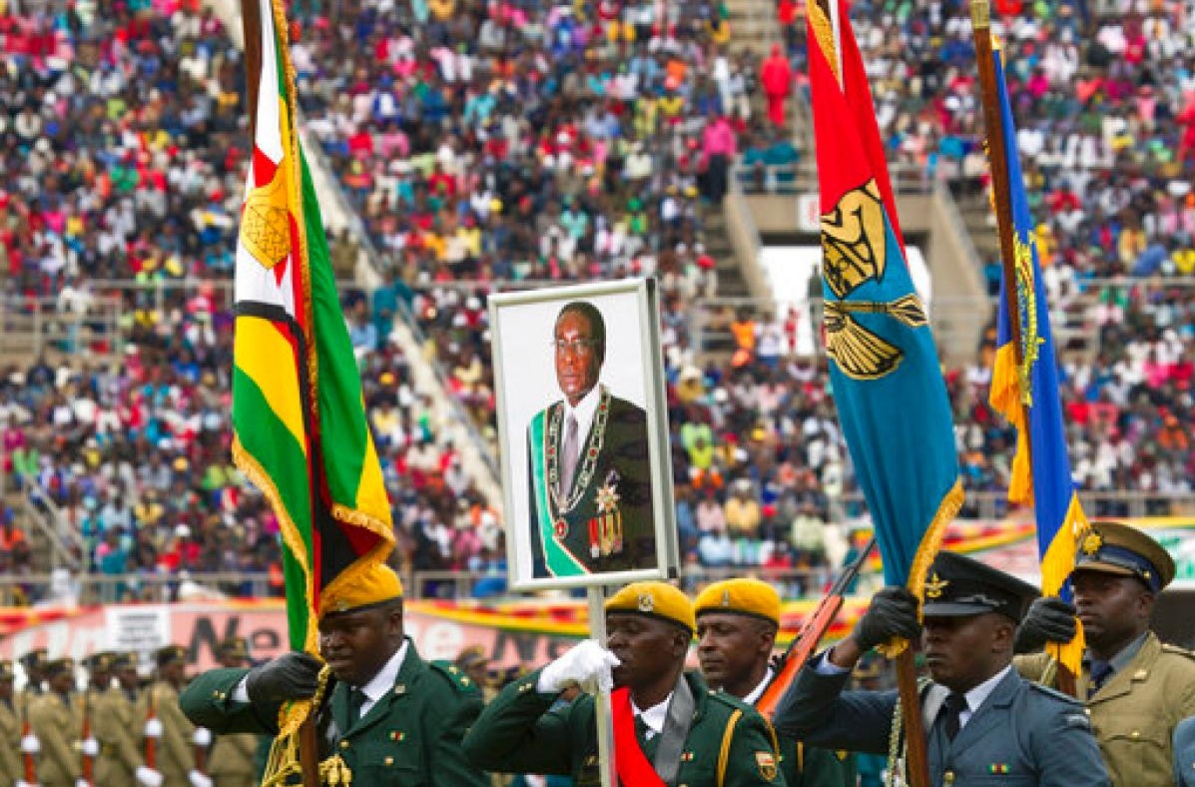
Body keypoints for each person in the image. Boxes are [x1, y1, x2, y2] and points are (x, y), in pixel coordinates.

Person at [772, 551, 1110, 787]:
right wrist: (857, 640)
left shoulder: (1050, 721)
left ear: (1001, 635)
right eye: (927, 625)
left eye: (949, 625)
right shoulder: (913, 709)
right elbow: (795, 720)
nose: (932, 637)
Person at [179, 562, 487, 786]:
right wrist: (258, 682)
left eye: (350, 629)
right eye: (324, 631)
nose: (333, 643)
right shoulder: (314, 690)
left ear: (393, 623)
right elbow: (196, 704)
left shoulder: (439, 697)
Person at [463, 580, 786, 786]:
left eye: (632, 629)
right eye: (610, 630)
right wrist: (548, 680)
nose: (615, 641)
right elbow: (482, 750)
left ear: (676, 643)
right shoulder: (590, 715)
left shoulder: (728, 726)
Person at [1014, 521, 1195, 787]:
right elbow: (968, 684)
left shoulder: (1182, 679)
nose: (1084, 599)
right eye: (1079, 589)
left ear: (1142, 604)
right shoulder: (1053, 668)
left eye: (1103, 588)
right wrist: (1018, 640)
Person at [526, 301, 655, 579]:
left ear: (600, 352)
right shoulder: (537, 427)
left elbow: (647, 532)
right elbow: (538, 539)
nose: (568, 358)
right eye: (561, 345)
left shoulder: (634, 423)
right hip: (560, 602)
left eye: (579, 345)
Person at [695, 578, 855, 787]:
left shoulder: (811, 718)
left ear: (765, 640)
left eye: (722, 631)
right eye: (701, 633)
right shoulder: (696, 715)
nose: (705, 645)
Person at [94, 652, 163, 787]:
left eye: (134, 672)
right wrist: (139, 767)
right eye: (128, 672)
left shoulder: (142, 698)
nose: (134, 676)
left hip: (137, 765)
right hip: (115, 768)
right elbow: (120, 739)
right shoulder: (107, 702)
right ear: (116, 675)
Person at [148, 645, 209, 787]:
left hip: (193, 757)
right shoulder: (159, 695)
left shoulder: (184, 691)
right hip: (173, 764)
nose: (180, 670)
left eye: (182, 666)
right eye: (175, 666)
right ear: (163, 668)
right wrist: (190, 770)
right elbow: (172, 736)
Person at [206, 637, 258, 787]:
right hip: (229, 764)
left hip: (246, 764)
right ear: (222, 659)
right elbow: (235, 724)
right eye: (235, 658)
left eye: (241, 658)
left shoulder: (240, 683)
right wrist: (256, 752)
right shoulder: (219, 684)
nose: (240, 662)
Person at [28, 657, 83, 787]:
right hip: (57, 774)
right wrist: (78, 775)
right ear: (50, 679)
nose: (69, 681)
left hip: (77, 768)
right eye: (64, 678)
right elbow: (57, 746)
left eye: (70, 678)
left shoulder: (73, 702)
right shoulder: (43, 707)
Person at [0, 660, 20, 786]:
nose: (10, 686)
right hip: (5, 774)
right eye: (5, 682)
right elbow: (3, 748)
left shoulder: (16, 705)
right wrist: (18, 777)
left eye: (11, 682)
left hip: (23, 768)